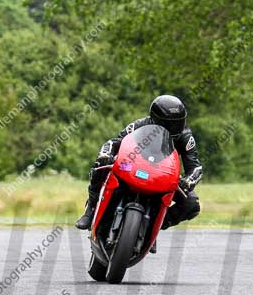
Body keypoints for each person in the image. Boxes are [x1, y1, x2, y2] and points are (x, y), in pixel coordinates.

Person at [75, 95, 203, 230]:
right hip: (130, 167)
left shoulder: (186, 137)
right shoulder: (140, 125)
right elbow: (114, 142)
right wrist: (106, 155)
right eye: (169, 124)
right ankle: (91, 209)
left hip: (162, 177)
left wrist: (188, 181)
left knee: (191, 204)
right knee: (101, 166)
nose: (175, 127)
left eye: (179, 122)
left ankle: (153, 226)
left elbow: (195, 167)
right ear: (155, 119)